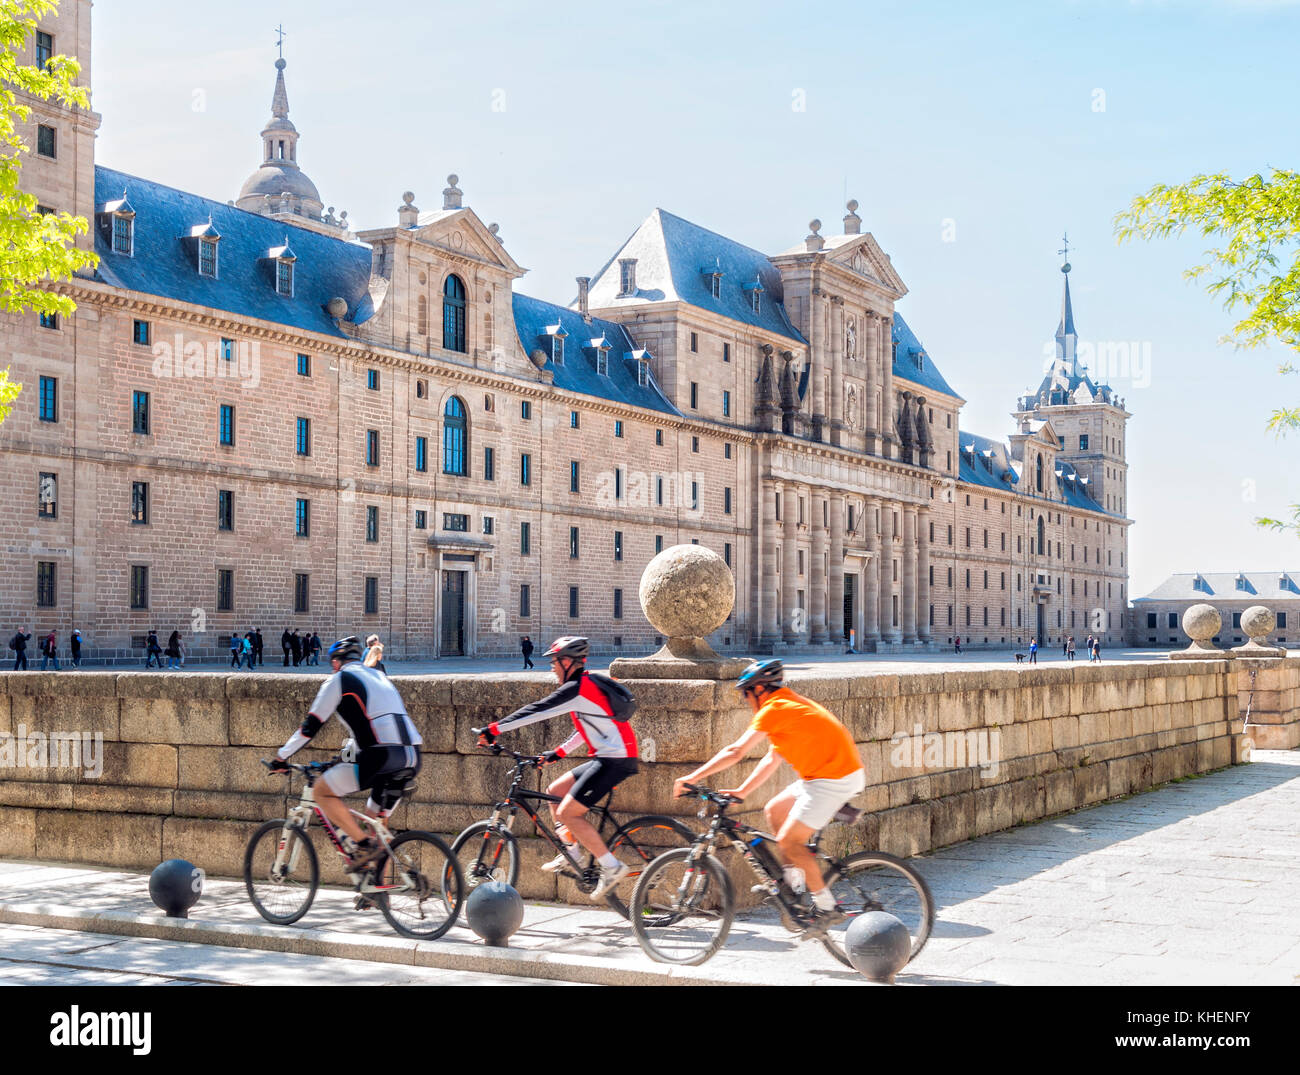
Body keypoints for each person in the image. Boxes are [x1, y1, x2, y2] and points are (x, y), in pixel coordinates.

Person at [672, 659, 865, 933]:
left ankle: (826, 908)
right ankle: (793, 887)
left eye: (746, 693)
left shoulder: (775, 707)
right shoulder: (787, 707)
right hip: (821, 776)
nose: (746, 700)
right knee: (774, 809)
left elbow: (735, 752)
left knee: (789, 841)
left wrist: (692, 777)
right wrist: (742, 792)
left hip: (834, 778)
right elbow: (772, 759)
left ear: (759, 689)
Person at [476, 636, 639, 901]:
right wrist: (557, 754)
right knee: (555, 790)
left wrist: (493, 730)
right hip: (607, 755)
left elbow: (537, 710)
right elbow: (587, 728)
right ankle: (571, 852)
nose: (552, 666)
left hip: (616, 759)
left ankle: (612, 866)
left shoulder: (576, 689)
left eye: (554, 661)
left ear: (567, 662)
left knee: (569, 813)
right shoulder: (586, 686)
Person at [267, 636, 422, 882]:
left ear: (336, 663)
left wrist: (280, 757)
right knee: (376, 825)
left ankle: (362, 845)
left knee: (321, 792)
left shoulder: (339, 680)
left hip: (380, 755)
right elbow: (363, 731)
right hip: (411, 755)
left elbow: (310, 726)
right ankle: (377, 891)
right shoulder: (379, 677)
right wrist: (341, 759)